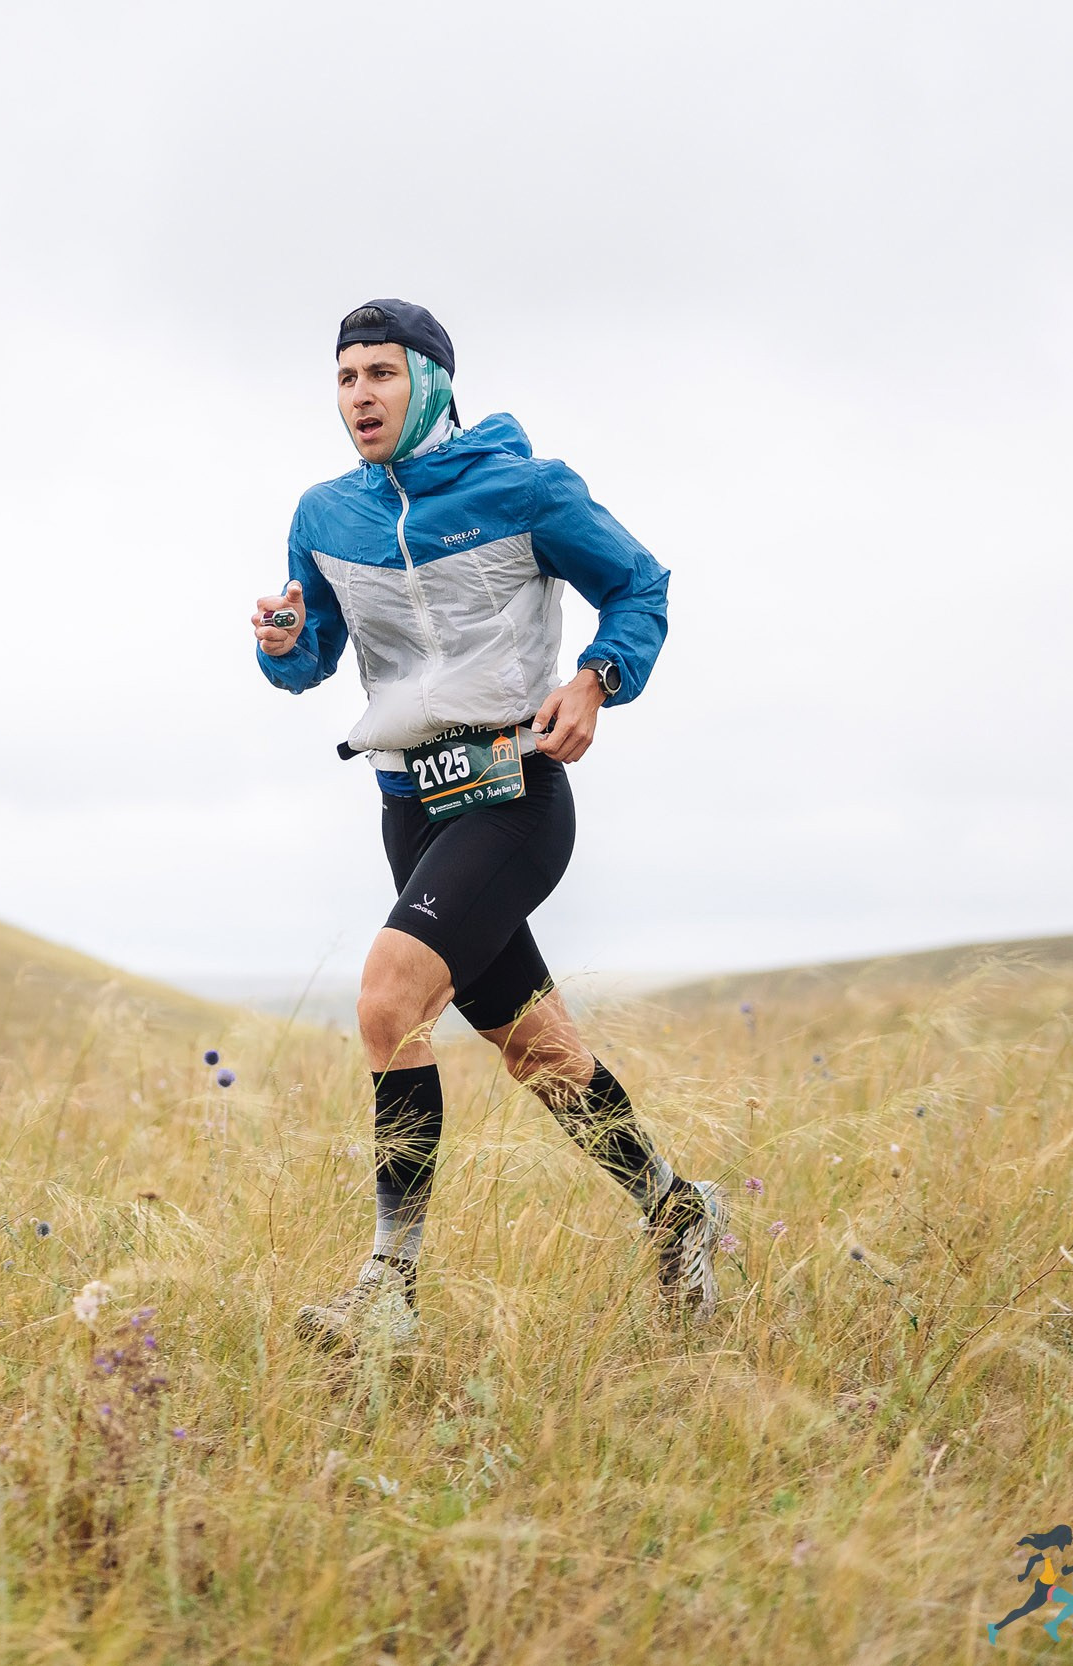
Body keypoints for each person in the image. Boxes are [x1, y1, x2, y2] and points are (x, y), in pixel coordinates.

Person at [251, 298, 723, 1349]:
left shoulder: (525, 488)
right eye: (344, 378)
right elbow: (308, 655)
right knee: (539, 1051)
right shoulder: (325, 515)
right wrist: (282, 639)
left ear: (431, 383)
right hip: (407, 809)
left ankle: (387, 1293)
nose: (359, 395)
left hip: (512, 797)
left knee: (386, 1003)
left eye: (380, 373)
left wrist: (598, 679)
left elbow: (637, 585)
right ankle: (676, 1207)